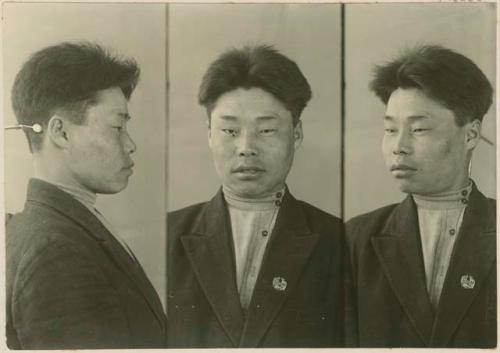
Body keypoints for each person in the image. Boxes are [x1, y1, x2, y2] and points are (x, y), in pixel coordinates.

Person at [167, 45, 352, 348]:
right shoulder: (166, 236)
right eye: (229, 130)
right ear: (209, 134)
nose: (246, 147)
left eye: (266, 130)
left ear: (297, 133)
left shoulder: (338, 241)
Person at [6, 42, 166, 349]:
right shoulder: (55, 252)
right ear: (61, 132)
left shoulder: (46, 227)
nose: (131, 144)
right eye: (117, 127)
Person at [346, 45, 496, 348]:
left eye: (419, 129)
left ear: (470, 134)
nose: (398, 146)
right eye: (390, 129)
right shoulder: (356, 238)